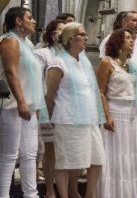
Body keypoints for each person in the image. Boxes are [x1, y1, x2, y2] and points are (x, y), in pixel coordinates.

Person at [45, 22, 105, 198]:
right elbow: (50, 95)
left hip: (89, 119)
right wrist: (49, 119)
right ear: (71, 39)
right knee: (66, 163)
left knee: (97, 159)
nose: (86, 38)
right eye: (83, 34)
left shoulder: (84, 61)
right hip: (67, 119)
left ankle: (89, 194)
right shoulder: (58, 63)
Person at [0, 6, 49, 198]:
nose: (34, 21)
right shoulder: (10, 41)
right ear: (18, 21)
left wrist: (34, 104)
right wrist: (21, 101)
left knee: (30, 155)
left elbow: (33, 77)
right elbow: (11, 73)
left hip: (29, 106)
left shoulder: (27, 44)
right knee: (8, 156)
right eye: (30, 17)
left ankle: (31, 195)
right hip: (12, 106)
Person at [96, 28, 137, 198]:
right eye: (127, 38)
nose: (132, 40)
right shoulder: (107, 63)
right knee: (116, 157)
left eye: (131, 38)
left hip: (133, 115)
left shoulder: (131, 66)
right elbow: (100, 91)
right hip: (116, 113)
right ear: (117, 41)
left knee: (133, 157)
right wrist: (106, 116)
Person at [34, 19, 66, 198]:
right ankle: (50, 189)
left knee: (66, 149)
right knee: (51, 149)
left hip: (68, 107)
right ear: (52, 34)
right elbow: (38, 82)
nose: (62, 33)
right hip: (49, 105)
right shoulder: (42, 54)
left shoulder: (72, 54)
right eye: (59, 30)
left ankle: (66, 187)